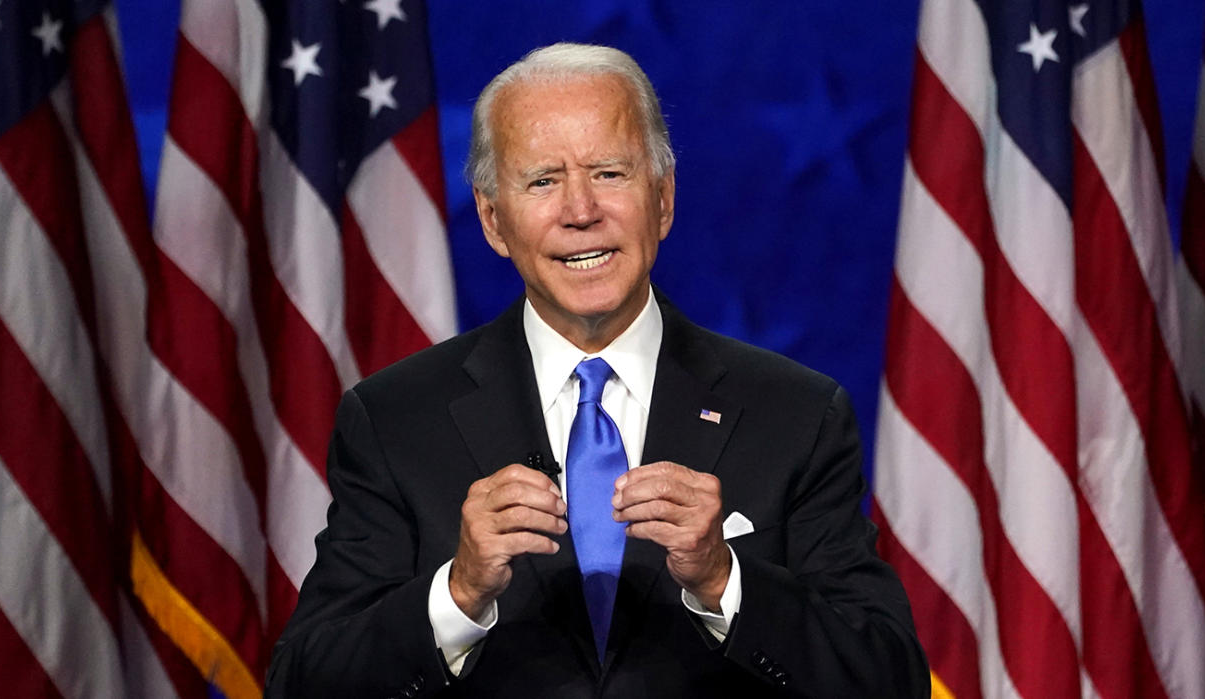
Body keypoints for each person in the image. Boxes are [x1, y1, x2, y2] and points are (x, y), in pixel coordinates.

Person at [265, 43, 928, 698]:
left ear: (663, 199)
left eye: (610, 173)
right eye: (543, 181)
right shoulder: (395, 420)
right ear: (494, 220)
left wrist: (725, 579)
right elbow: (303, 681)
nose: (581, 211)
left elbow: (889, 678)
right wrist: (458, 591)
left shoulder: (796, 415)